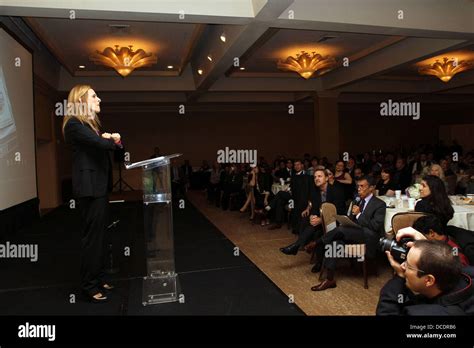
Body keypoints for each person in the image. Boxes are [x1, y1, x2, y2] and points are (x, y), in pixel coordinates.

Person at [62, 85, 123, 303]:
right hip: (89, 189)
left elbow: (116, 150)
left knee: (100, 236)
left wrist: (113, 141)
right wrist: (112, 139)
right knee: (92, 239)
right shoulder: (74, 125)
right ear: (81, 101)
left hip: (98, 188)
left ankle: (98, 278)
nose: (99, 99)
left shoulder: (92, 126)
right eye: (94, 96)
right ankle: (88, 286)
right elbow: (101, 144)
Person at [311, 175, 386, 291]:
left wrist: (359, 214)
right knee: (334, 241)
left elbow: (375, 226)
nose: (359, 189)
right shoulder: (357, 200)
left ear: (371, 188)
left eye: (362, 186)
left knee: (340, 231)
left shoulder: (380, 204)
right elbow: (351, 220)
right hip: (353, 233)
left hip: (368, 237)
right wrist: (346, 221)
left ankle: (317, 242)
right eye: (358, 187)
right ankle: (330, 279)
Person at [376, 229, 474, 315]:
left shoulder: (430, 313)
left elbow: (387, 312)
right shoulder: (467, 273)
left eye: (408, 266)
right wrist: (427, 248)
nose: (402, 266)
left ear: (429, 280)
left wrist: (400, 276)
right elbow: (439, 257)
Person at [279, 169, 345, 267]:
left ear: (326, 178)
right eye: (315, 177)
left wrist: (321, 219)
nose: (316, 179)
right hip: (322, 224)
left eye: (319, 176)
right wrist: (313, 217)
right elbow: (314, 209)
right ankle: (319, 262)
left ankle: (297, 246)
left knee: (316, 229)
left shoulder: (336, 191)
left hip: (336, 223)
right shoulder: (315, 192)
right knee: (316, 231)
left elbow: (339, 211)